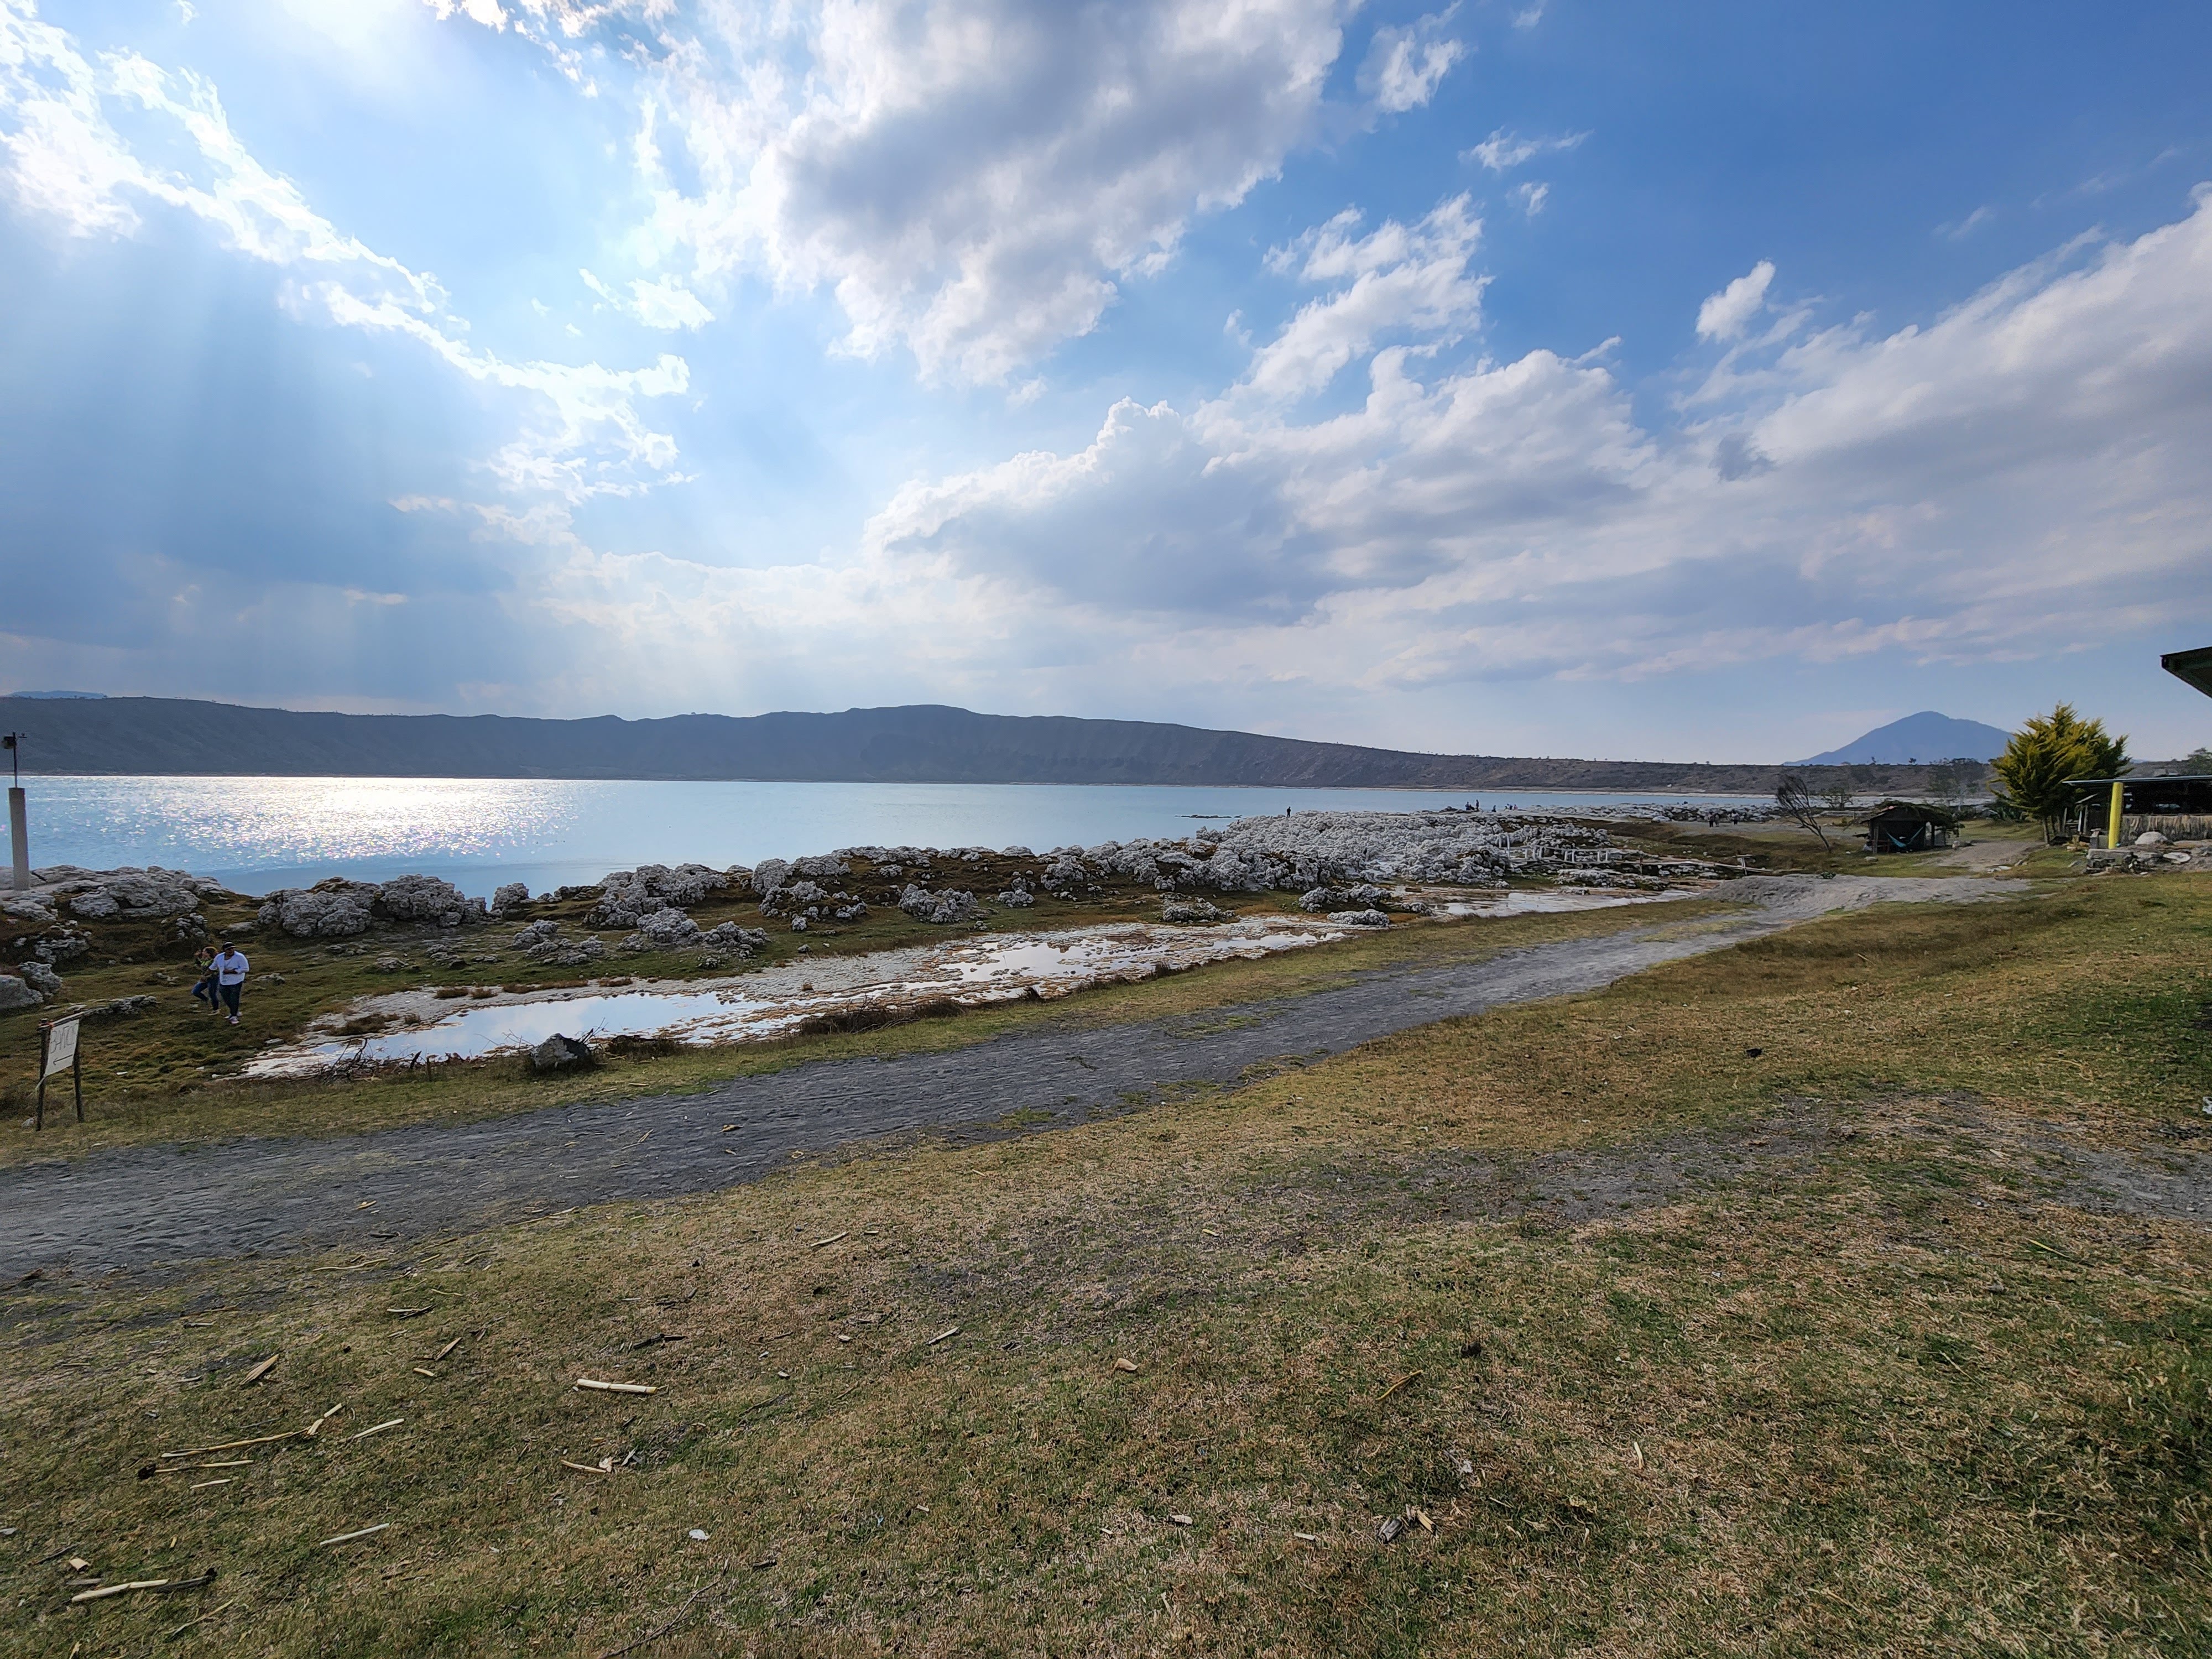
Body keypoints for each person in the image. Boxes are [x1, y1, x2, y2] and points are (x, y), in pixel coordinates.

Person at [212, 940, 250, 1026]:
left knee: (234, 998)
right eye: (229, 949)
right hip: (224, 981)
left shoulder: (240, 957)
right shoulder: (219, 957)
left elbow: (246, 969)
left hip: (236, 981)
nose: (231, 951)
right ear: (225, 950)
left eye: (232, 949)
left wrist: (233, 971)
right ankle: (235, 1011)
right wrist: (205, 975)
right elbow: (213, 967)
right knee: (226, 998)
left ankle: (233, 1016)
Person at [189, 944, 220, 1013]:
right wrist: (196, 958)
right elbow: (199, 964)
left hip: (213, 978)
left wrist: (205, 976)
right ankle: (206, 1001)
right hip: (204, 979)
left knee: (212, 994)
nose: (203, 953)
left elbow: (215, 971)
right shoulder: (204, 960)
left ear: (208, 953)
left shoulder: (214, 961)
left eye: (204, 952)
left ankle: (216, 1009)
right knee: (195, 992)